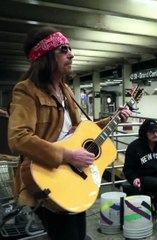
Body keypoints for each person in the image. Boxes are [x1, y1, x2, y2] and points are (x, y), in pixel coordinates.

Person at [7, 27, 131, 240]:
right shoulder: (26, 90)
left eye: (70, 49)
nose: (71, 54)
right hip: (49, 176)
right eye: (64, 49)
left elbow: (82, 132)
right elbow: (18, 138)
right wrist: (66, 155)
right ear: (45, 57)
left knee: (78, 234)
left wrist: (114, 119)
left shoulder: (67, 91)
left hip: (76, 176)